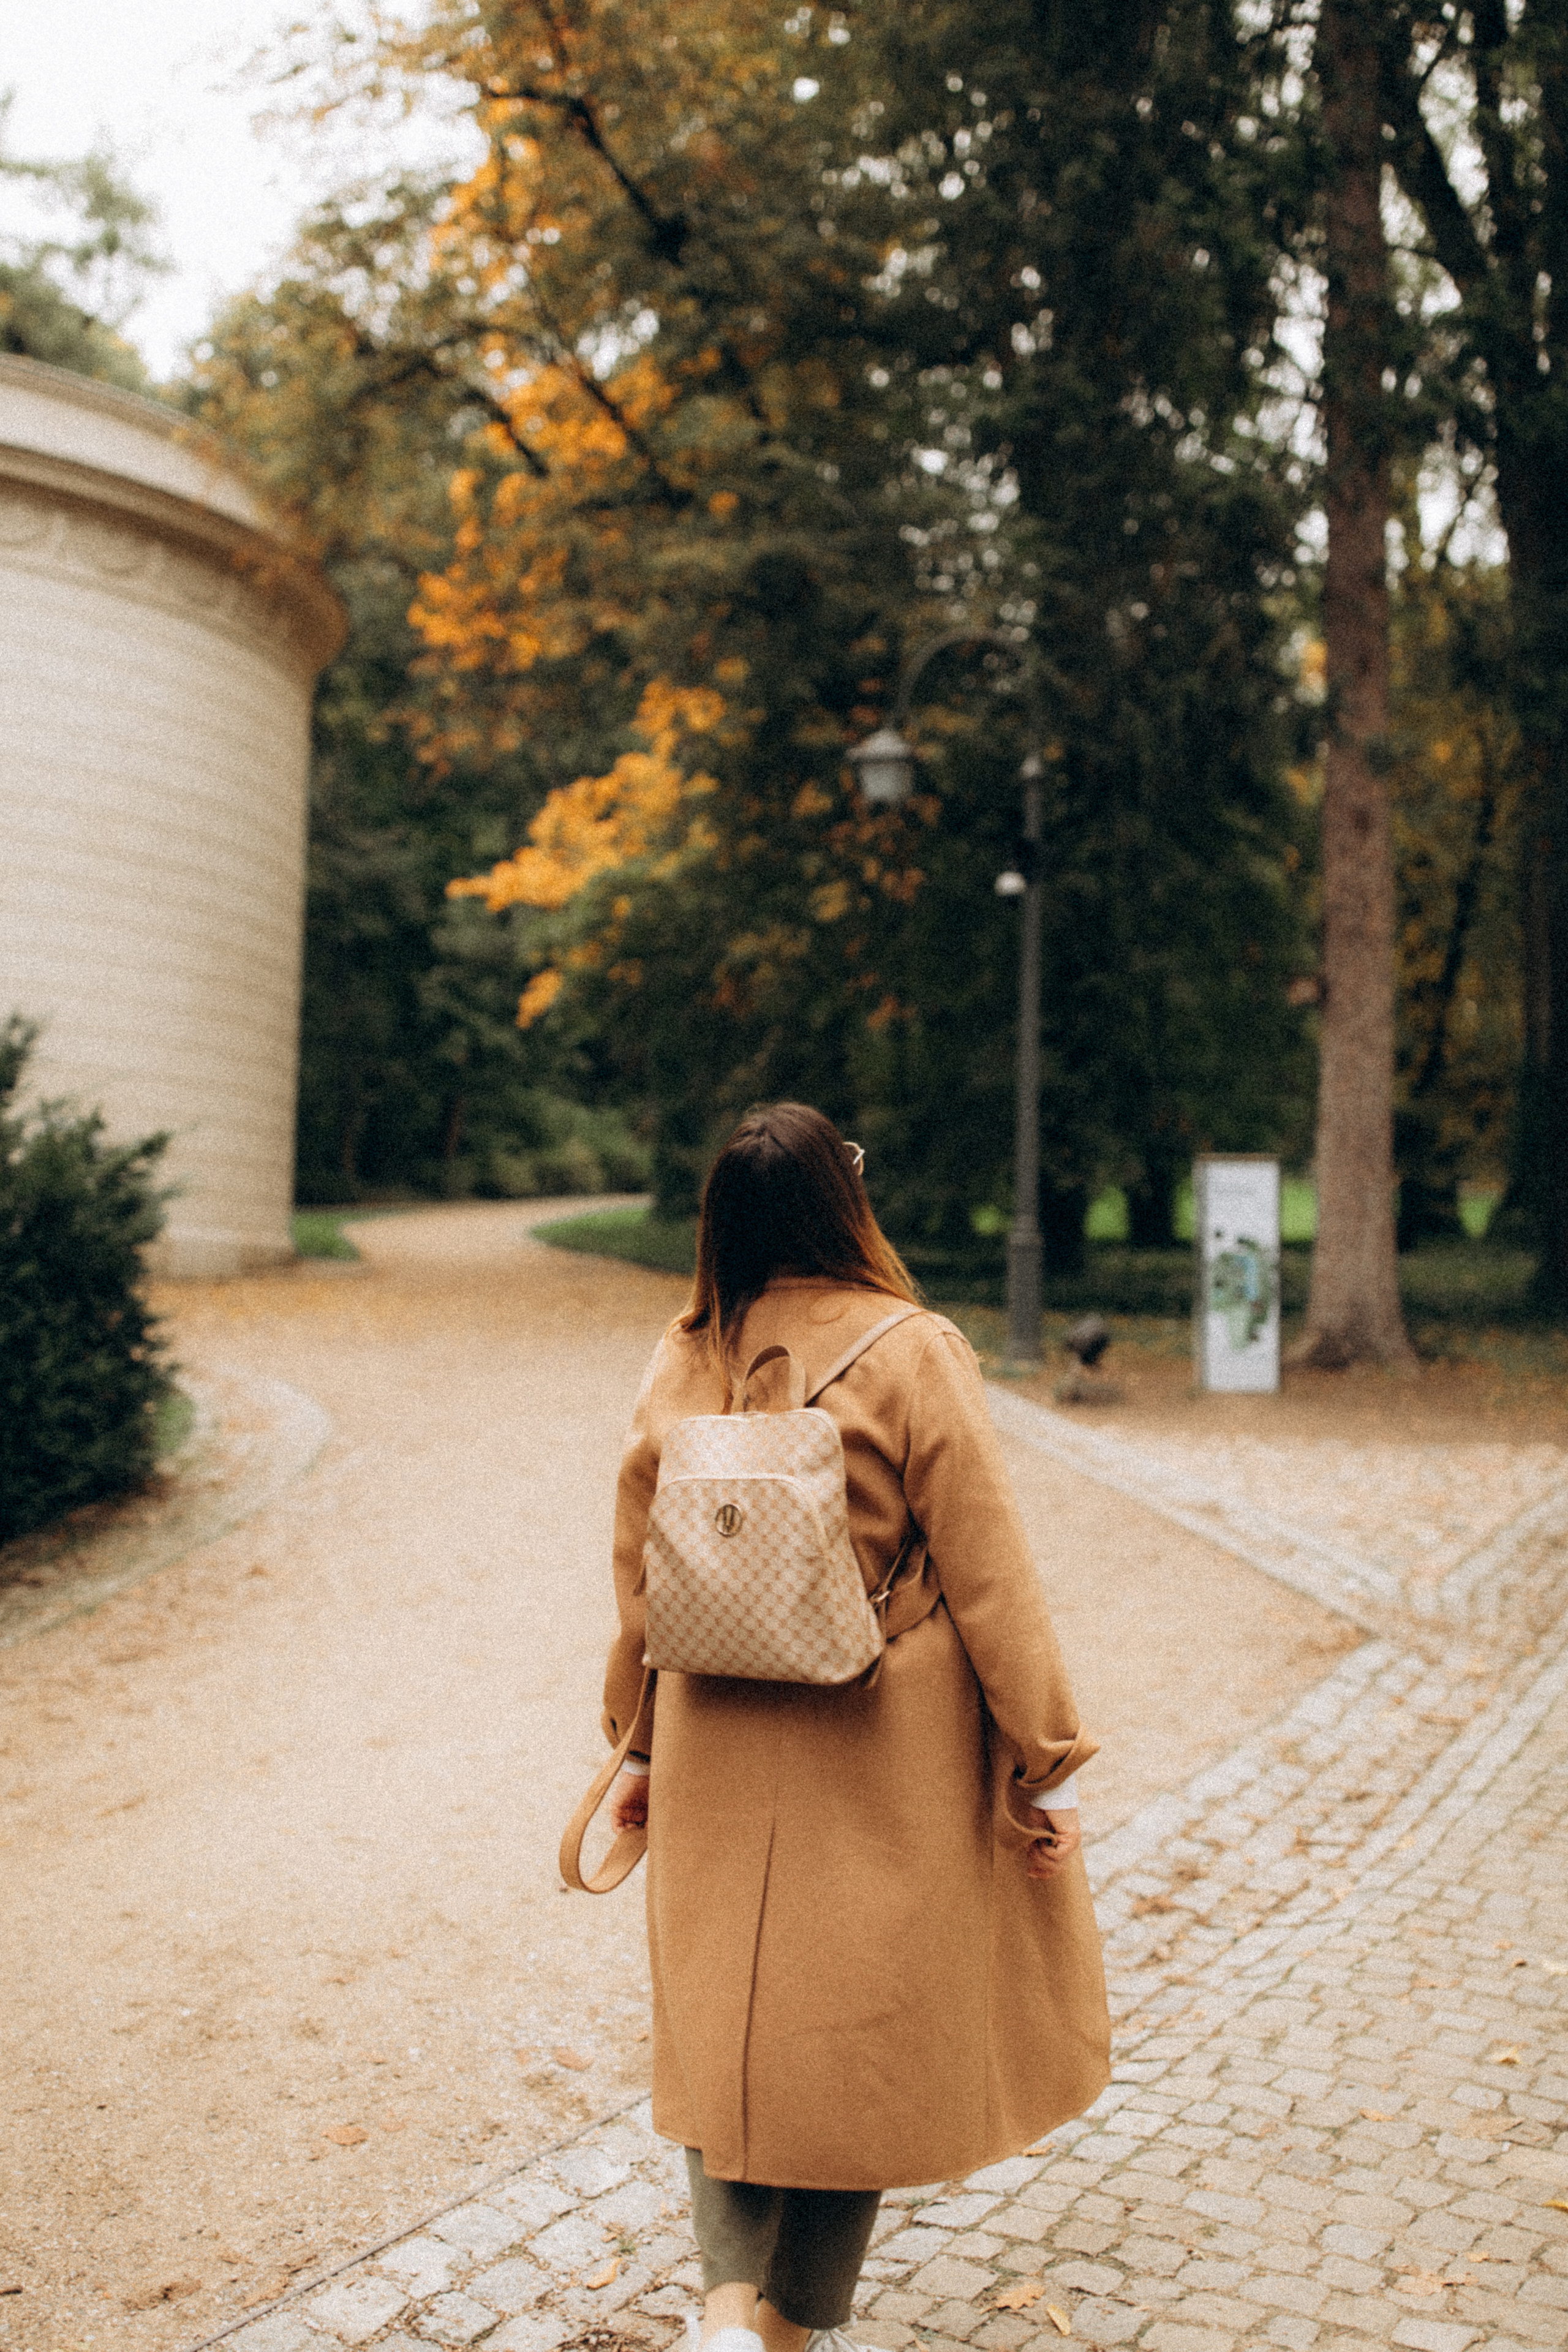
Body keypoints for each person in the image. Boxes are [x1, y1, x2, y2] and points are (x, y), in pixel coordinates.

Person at [599, 1103, 1109, 2352]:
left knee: (726, 2022)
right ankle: (784, 2333)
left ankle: (719, 2310)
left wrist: (638, 1742)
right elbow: (991, 1574)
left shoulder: (685, 1352)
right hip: (883, 1740)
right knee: (855, 2039)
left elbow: (636, 1572)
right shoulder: (912, 1348)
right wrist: (1042, 1763)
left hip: (715, 1728)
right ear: (845, 1202)